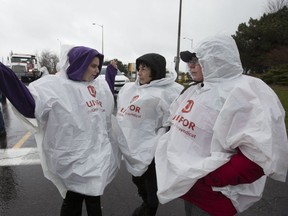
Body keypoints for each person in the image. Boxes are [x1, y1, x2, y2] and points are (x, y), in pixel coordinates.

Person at [154, 34, 288, 216]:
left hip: (216, 195)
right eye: (189, 61)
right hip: (189, 186)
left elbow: (257, 157)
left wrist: (208, 179)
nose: (191, 65)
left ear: (216, 59)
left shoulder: (245, 92)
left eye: (197, 60)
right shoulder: (196, 89)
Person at [0, 45, 121, 216]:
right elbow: (30, 105)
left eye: (98, 66)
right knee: (74, 199)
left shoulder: (97, 86)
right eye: (92, 66)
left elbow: (108, 89)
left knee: (94, 195)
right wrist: (4, 74)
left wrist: (111, 73)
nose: (96, 71)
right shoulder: (56, 85)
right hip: (73, 157)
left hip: (97, 155)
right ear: (80, 63)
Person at [116, 53, 183, 216]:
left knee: (151, 183)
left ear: (156, 70)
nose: (139, 72)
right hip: (134, 144)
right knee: (137, 178)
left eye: (144, 69)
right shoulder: (131, 89)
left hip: (154, 147)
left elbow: (173, 120)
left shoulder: (168, 92)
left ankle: (149, 209)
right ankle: (146, 202)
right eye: (139, 68)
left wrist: (161, 137)